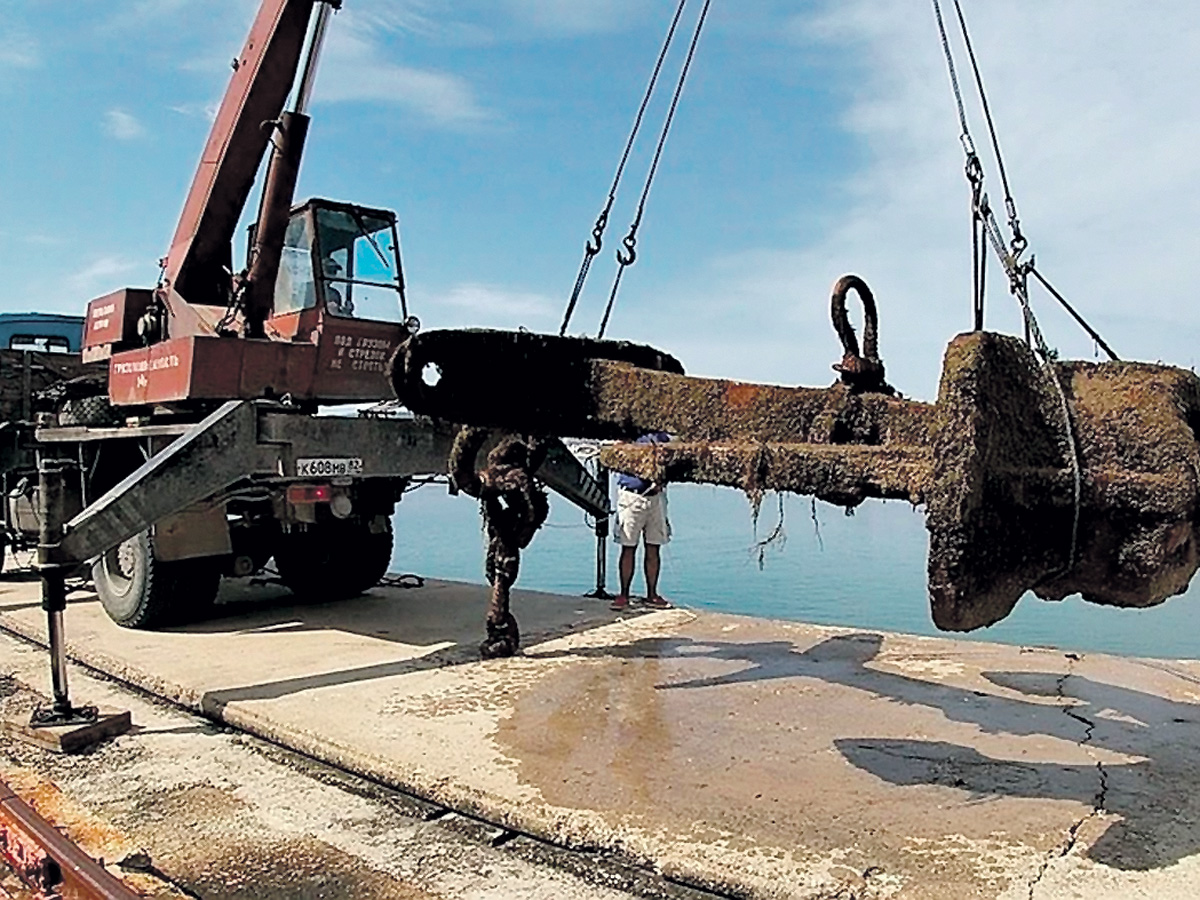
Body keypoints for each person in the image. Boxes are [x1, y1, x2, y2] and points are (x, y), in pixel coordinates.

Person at [611, 431, 673, 612]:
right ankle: (624, 595)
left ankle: (652, 595)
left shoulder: (663, 437)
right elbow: (616, 452)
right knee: (628, 546)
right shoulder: (630, 433)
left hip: (656, 498)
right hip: (631, 497)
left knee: (654, 546)